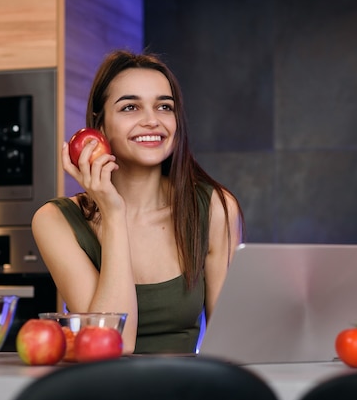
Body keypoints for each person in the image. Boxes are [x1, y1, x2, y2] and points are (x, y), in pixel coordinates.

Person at [31, 49, 244, 355]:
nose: (152, 121)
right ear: (99, 126)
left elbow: (231, 344)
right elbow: (113, 344)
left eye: (164, 107)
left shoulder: (214, 209)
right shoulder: (55, 220)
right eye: (130, 107)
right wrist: (114, 214)